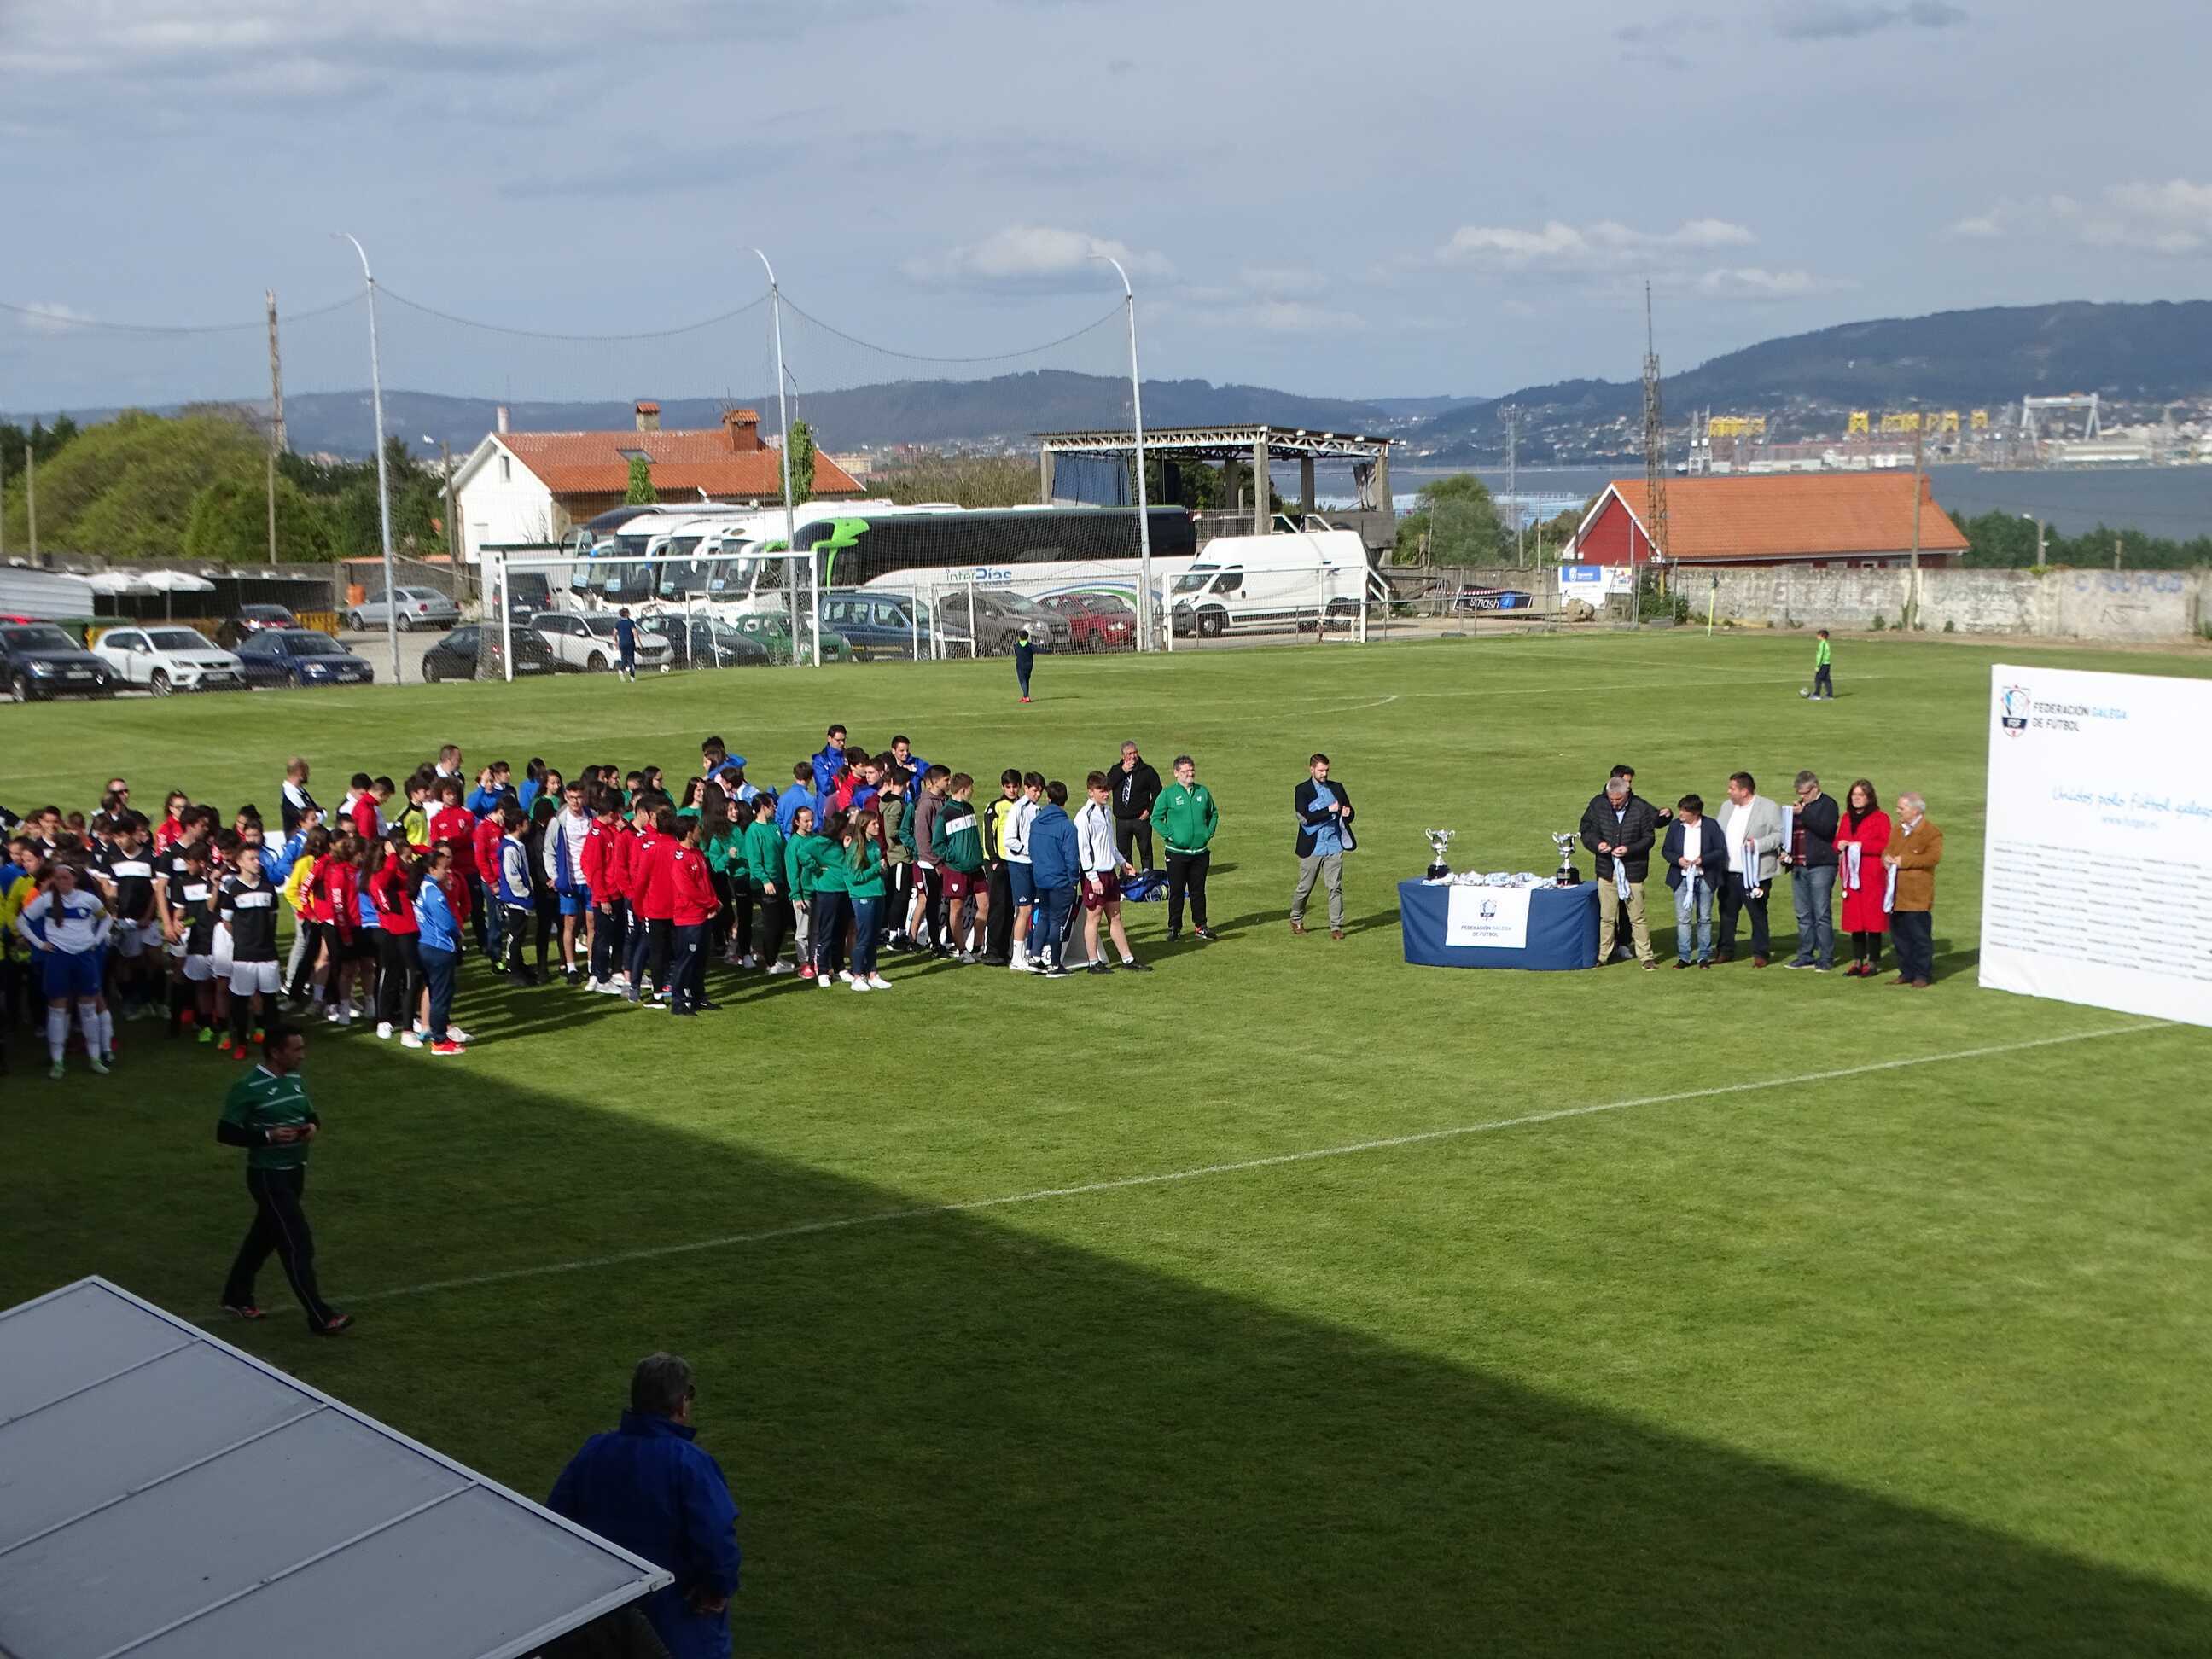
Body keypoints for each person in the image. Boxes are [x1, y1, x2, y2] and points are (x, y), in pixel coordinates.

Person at [548, 1353, 740, 1659]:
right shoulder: (689, 1463)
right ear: (681, 1403)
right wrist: (717, 1590)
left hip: (603, 1616)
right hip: (677, 1623)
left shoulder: (594, 1451)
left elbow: (553, 1526)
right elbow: (716, 1540)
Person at [216, 1022, 352, 1335]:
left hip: (294, 1173)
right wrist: (268, 1136)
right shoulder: (248, 1087)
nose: (303, 1055)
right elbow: (225, 1132)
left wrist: (312, 1128)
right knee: (297, 1242)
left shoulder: (295, 1080)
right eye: (297, 1049)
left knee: (263, 1237)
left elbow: (310, 1115)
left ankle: (236, 1296)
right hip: (268, 1177)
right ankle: (320, 1316)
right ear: (276, 1053)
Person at [15, 859, 113, 1079]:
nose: (61, 882)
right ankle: (58, 1062)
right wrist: (40, 944)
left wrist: (96, 939)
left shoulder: (88, 899)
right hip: (58, 958)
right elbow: (22, 922)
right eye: (57, 878)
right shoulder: (46, 900)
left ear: (74, 879)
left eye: (65, 878)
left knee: (88, 1009)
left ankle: (95, 1058)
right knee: (57, 1010)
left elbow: (106, 919)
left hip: (84, 957)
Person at [1579, 767, 1658, 969]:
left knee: (1637, 917)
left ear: (1627, 793)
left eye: (1618, 800)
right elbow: (1586, 831)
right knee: (1606, 917)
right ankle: (1603, 956)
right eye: (1611, 799)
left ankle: (1646, 956)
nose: (1614, 803)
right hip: (1607, 870)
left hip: (1633, 872)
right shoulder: (1598, 805)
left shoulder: (1640, 808)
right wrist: (1598, 845)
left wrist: (1629, 849)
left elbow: (1649, 838)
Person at [1074, 772, 1151, 974]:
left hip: (1110, 873)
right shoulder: (1084, 817)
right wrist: (1092, 878)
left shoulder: (1107, 812)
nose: (1106, 794)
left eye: (1107, 789)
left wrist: (1123, 863)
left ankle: (1128, 959)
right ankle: (1093, 962)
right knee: (1094, 918)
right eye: (1101, 790)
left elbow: (1110, 844)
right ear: (1091, 792)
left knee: (1115, 916)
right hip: (1095, 875)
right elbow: (1083, 850)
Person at [1716, 771, 1784, 967]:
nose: (1728, 791)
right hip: (1729, 872)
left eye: (1732, 788)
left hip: (1755, 874)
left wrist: (1759, 845)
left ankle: (1761, 953)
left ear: (1744, 791)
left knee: (1757, 914)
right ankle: (1725, 950)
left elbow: (1780, 835)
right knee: (1727, 914)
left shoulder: (1768, 807)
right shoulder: (1727, 807)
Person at [1151, 754, 1220, 942]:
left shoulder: (1202, 792)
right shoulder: (1168, 794)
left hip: (1200, 853)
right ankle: (1175, 927)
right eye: (1186, 771)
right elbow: (1156, 819)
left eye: (1192, 770)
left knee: (1198, 891)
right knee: (1177, 891)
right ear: (1176, 773)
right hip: (1177, 854)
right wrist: (1171, 835)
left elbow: (1213, 813)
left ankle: (1201, 926)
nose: (1190, 773)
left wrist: (1208, 833)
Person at [1290, 753, 1357, 941]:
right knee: (1305, 887)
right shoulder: (1302, 790)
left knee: (1335, 887)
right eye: (1321, 771)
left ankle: (1336, 927)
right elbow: (1304, 818)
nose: (1324, 774)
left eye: (1326, 770)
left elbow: (1349, 812)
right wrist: (1328, 810)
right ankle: (1296, 918)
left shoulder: (1337, 787)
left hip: (1334, 845)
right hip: (1312, 847)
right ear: (1311, 769)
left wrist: (1348, 813)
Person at [1783, 770, 1842, 972]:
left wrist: (1803, 813)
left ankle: (1826, 958)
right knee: (1803, 913)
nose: (1802, 797)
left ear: (1815, 788)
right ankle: (1805, 955)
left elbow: (1826, 829)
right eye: (1799, 793)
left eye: (1805, 793)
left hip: (1821, 865)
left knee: (1821, 913)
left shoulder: (1828, 804)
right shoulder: (1801, 807)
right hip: (1799, 865)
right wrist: (1785, 852)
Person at [1833, 778, 1893, 978]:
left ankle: (1873, 962)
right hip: (1851, 877)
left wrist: (1860, 846)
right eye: (1854, 795)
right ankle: (1857, 961)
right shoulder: (1846, 817)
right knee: (1855, 921)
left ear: (1869, 797)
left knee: (1873, 921)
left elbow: (1885, 845)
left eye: (1861, 795)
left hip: (1871, 876)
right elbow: (1838, 840)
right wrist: (1839, 845)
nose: (1857, 798)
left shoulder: (1880, 818)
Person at [1884, 791, 1943, 988]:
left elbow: (1933, 858)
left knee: (1919, 938)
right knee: (1899, 937)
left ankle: (1922, 974)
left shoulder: (1931, 832)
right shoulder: (1897, 829)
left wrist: (1905, 861)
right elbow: (1887, 850)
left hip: (1917, 896)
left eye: (1901, 808)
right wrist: (1886, 859)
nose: (1897, 811)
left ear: (1915, 810)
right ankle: (1906, 971)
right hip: (1896, 895)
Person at [1661, 795, 1726, 969]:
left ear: (1696, 812)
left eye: (1684, 811)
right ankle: (1684, 957)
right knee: (1683, 919)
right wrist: (1678, 860)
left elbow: (1720, 850)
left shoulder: (1711, 826)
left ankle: (1703, 957)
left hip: (1705, 877)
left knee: (1704, 918)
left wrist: (1702, 860)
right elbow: (1666, 850)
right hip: (1681, 879)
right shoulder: (1675, 826)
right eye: (1681, 810)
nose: (1681, 813)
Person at [414, 845, 467, 1054]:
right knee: (441, 996)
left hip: (426, 946)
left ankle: (439, 1036)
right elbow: (447, 923)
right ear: (432, 870)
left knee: (436, 993)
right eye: (444, 868)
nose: (447, 871)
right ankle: (440, 1041)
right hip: (439, 948)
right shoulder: (434, 893)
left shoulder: (423, 888)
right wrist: (458, 934)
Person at [931, 774, 987, 964]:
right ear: (963, 790)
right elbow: (937, 844)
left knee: (985, 905)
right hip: (956, 869)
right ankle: (961, 949)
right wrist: (954, 857)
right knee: (956, 909)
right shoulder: (945, 814)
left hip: (975, 867)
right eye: (971, 788)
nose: (973, 792)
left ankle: (978, 947)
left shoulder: (969, 808)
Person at [1027, 781, 1080, 978]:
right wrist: (1073, 881)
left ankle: (1035, 958)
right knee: (1057, 921)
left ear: (1048, 798)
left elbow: (1032, 850)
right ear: (1065, 800)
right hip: (1060, 881)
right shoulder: (1067, 827)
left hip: (1041, 878)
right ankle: (1055, 964)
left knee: (1043, 916)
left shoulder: (1036, 823)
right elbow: (1071, 859)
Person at [544, 780, 594, 986]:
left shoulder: (591, 817)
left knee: (592, 923)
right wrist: (554, 876)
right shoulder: (559, 821)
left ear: (585, 797)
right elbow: (549, 850)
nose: (576, 802)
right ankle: (571, 967)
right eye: (572, 798)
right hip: (570, 880)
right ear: (566, 797)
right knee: (570, 924)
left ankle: (592, 965)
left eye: (579, 797)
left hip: (589, 879)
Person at [841, 808, 893, 992]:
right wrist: (876, 868)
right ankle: (857, 976)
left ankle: (873, 973)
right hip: (863, 897)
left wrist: (882, 870)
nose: (878, 826)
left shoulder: (875, 845)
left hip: (878, 894)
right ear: (864, 826)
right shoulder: (856, 847)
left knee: (873, 937)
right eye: (874, 824)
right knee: (863, 937)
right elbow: (856, 877)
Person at [1001, 772, 1042, 972]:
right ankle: (1016, 957)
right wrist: (1029, 850)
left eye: (1040, 791)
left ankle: (1024, 952)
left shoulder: (1038, 809)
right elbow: (1009, 840)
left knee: (1030, 909)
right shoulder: (1018, 808)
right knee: (1024, 910)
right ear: (1026, 788)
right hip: (1019, 864)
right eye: (1035, 790)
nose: (1038, 794)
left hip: (1032, 864)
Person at [1106, 742, 1162, 871]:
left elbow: (1158, 792)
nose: (1133, 756)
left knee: (1145, 850)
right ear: (1123, 756)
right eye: (1129, 753)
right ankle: (1127, 877)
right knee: (1123, 852)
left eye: (1135, 752)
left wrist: (1149, 810)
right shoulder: (1116, 770)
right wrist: (1122, 772)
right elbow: (1107, 785)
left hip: (1140, 819)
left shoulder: (1147, 771)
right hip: (1121, 820)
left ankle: (1148, 875)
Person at [614, 607, 639, 681]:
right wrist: (639, 642)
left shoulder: (618, 623)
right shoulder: (630, 622)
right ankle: (632, 677)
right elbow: (634, 632)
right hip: (630, 643)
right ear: (627, 614)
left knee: (623, 658)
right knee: (631, 659)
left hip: (622, 643)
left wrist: (616, 642)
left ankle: (621, 669)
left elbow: (614, 633)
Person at [1810, 630, 1835, 701]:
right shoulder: (1827, 643)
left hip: (1823, 664)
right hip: (1827, 663)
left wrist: (1818, 666)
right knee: (1827, 679)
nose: (1817, 636)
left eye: (1818, 635)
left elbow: (1821, 655)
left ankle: (1816, 695)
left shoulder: (1822, 643)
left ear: (1822, 636)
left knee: (1818, 679)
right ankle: (1830, 695)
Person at [1013, 627, 1035, 703]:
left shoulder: (1017, 646)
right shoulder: (1030, 645)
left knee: (1022, 681)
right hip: (1029, 665)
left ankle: (1027, 697)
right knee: (1026, 680)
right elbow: (1039, 649)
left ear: (1019, 637)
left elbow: (1016, 653)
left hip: (1020, 666)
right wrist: (1049, 651)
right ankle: (1025, 696)